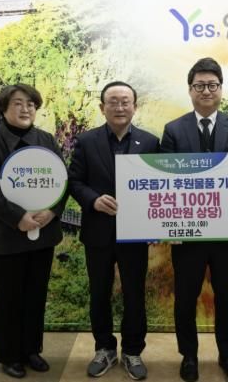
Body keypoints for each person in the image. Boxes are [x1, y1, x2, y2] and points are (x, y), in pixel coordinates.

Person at [161, 57, 228, 382]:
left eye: (212, 85)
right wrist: (167, 224)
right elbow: (167, 181)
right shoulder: (173, 130)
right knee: (185, 298)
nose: (206, 91)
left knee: (227, 297)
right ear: (190, 90)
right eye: (199, 85)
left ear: (221, 89)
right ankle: (189, 356)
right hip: (187, 233)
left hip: (227, 233)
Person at [0, 84, 67, 379]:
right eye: (18, 103)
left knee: (36, 293)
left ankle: (31, 350)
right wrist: (18, 217)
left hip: (43, 233)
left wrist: (52, 211)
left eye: (31, 104)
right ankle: (8, 355)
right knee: (9, 295)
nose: (26, 109)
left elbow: (63, 180)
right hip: (7, 235)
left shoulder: (46, 140)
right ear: (4, 108)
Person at [68, 81, 160, 380]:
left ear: (135, 106)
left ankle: (133, 351)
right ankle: (104, 348)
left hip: (135, 234)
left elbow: (159, 187)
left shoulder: (150, 142)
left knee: (134, 294)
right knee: (99, 293)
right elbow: (74, 182)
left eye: (125, 101)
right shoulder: (86, 141)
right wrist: (93, 200)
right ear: (102, 107)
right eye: (113, 102)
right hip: (98, 232)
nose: (120, 107)